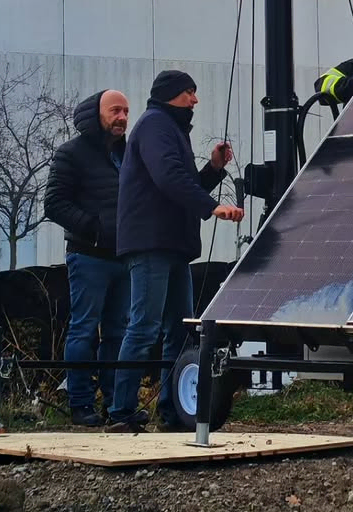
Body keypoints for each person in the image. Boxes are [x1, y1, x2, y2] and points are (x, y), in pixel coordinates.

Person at [106, 70, 244, 431]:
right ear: (170, 95)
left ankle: (171, 409)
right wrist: (210, 206)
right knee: (144, 327)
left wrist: (213, 169)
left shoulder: (170, 129)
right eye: (189, 92)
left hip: (171, 245)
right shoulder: (155, 126)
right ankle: (121, 412)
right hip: (152, 243)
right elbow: (168, 177)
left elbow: (180, 183)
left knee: (179, 332)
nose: (195, 100)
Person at [43, 89, 131, 426]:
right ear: (96, 114)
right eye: (115, 111)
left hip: (124, 257)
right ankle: (80, 404)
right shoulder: (71, 153)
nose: (122, 117)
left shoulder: (129, 155)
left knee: (117, 334)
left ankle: (114, 405)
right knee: (83, 330)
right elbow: (54, 203)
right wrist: (94, 228)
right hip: (88, 256)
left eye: (125, 111)